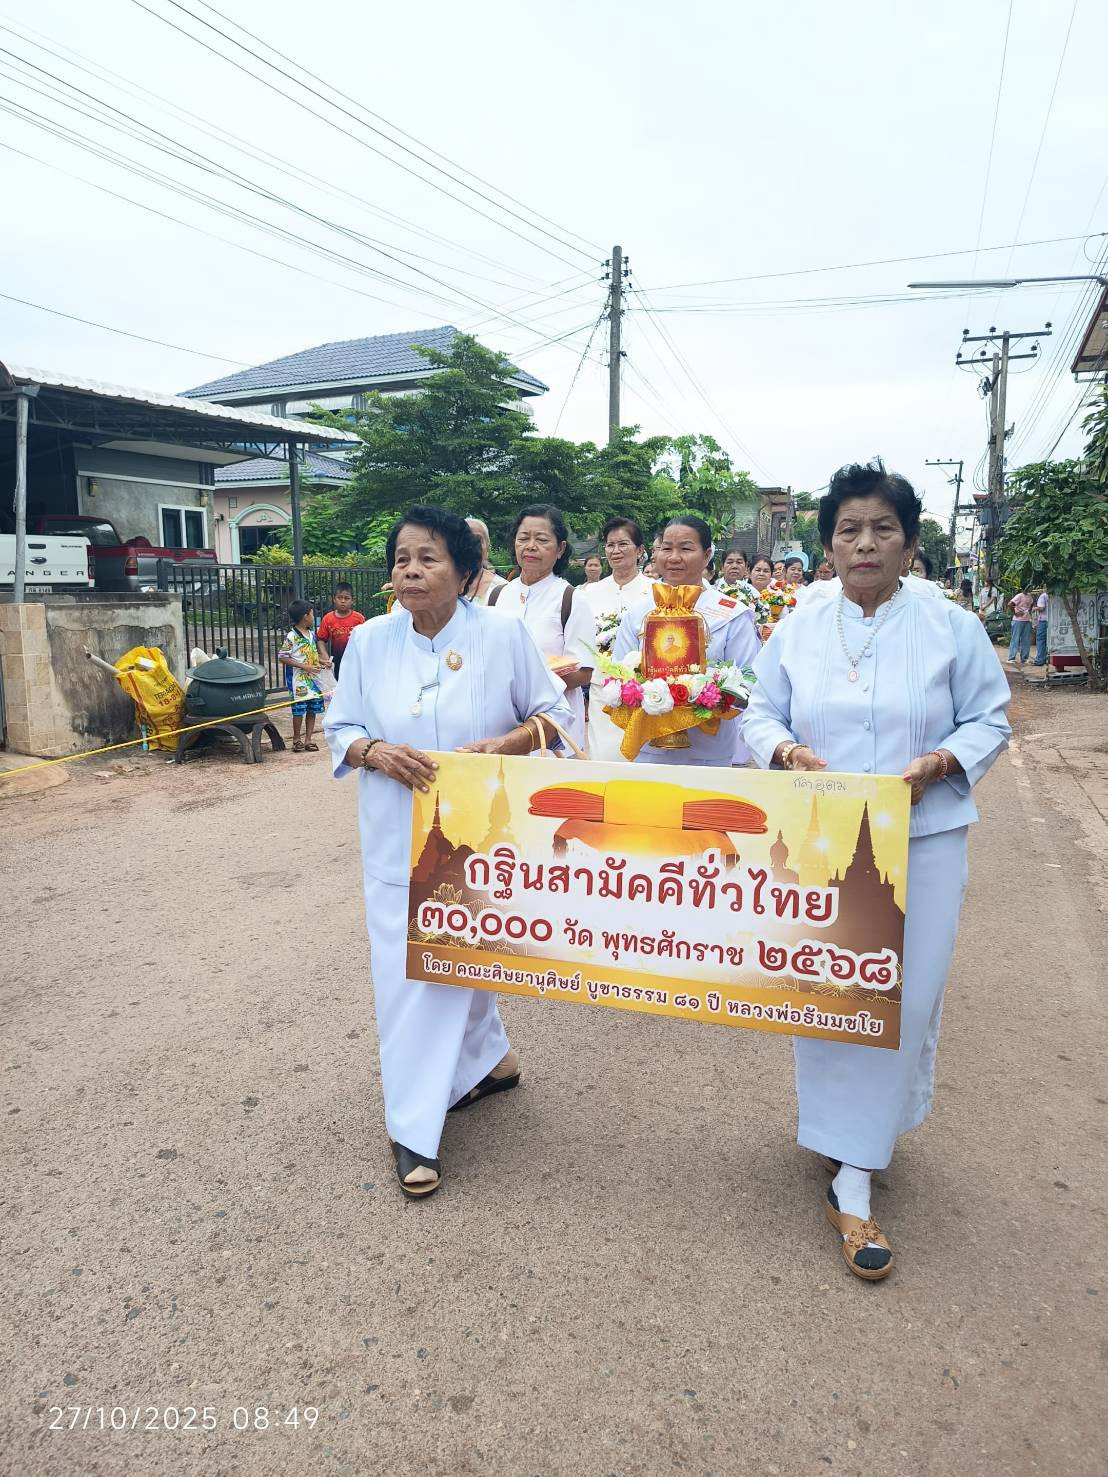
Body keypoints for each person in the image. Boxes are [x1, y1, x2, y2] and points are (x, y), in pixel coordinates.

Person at [742, 458, 1010, 1281]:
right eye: (848, 530)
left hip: (923, 837)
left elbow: (989, 718)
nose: (865, 543)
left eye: (882, 529)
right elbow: (758, 712)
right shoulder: (800, 623)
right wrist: (786, 751)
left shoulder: (949, 624)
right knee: (830, 988)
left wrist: (939, 763)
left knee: (905, 994)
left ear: (910, 543)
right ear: (827, 545)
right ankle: (844, 1149)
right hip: (821, 841)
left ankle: (854, 1167)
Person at [323, 507, 574, 1200]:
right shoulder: (369, 640)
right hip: (396, 840)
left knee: (466, 952)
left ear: (465, 571)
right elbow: (338, 725)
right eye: (402, 558)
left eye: (428, 558)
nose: (410, 570)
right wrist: (373, 750)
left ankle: (489, 1061)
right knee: (409, 974)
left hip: (481, 839)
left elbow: (556, 715)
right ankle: (414, 1126)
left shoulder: (502, 634)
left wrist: (508, 743)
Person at [611, 514, 760, 767]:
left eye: (686, 549)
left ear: (707, 555)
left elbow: (750, 681)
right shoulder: (638, 614)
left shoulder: (732, 615)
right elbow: (618, 676)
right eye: (666, 548)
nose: (674, 557)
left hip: (708, 751)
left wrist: (704, 693)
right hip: (648, 748)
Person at [488, 503, 595, 748]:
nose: (531, 546)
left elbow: (584, 672)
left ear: (560, 549)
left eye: (542, 540)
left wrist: (527, 682)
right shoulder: (497, 596)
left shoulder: (571, 598)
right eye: (523, 538)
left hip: (556, 727)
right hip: (503, 724)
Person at [579, 516, 653, 761]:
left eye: (623, 544)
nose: (615, 551)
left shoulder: (655, 592)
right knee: (603, 757)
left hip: (644, 691)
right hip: (602, 688)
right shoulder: (589, 593)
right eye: (610, 545)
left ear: (640, 550)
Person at [279, 599, 326, 753]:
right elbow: (283, 657)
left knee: (313, 708)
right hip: (298, 681)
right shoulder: (292, 637)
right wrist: (305, 666)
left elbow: (311, 654)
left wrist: (323, 661)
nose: (314, 617)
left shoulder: (311, 635)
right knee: (299, 710)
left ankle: (308, 740)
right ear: (305, 616)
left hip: (314, 680)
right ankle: (296, 739)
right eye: (312, 614)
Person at [316, 583, 365, 679]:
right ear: (334, 599)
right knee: (338, 684)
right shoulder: (328, 619)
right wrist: (325, 655)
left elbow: (365, 639)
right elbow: (320, 639)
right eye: (339, 598)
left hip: (356, 660)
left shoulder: (359, 618)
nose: (343, 601)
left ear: (352, 600)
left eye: (346, 598)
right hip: (337, 661)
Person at [464, 517, 506, 606]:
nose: (472, 545)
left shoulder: (502, 589)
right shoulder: (442, 583)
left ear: (487, 547)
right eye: (466, 539)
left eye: (478, 539)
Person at [1007, 589, 1033, 665]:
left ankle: (1024, 658)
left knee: (1026, 640)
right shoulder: (1019, 596)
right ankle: (1011, 658)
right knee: (1015, 639)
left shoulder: (1030, 596)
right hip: (1018, 620)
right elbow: (1010, 604)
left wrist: (1028, 612)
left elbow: (1031, 604)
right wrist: (1015, 613)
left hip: (1027, 620)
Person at [1033, 589, 1049, 666]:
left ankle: (1040, 660)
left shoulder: (1043, 596)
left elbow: (1041, 608)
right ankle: (1046, 658)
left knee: (1041, 640)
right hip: (1053, 620)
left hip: (1043, 620)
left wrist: (1035, 608)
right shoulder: (1055, 595)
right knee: (1048, 640)